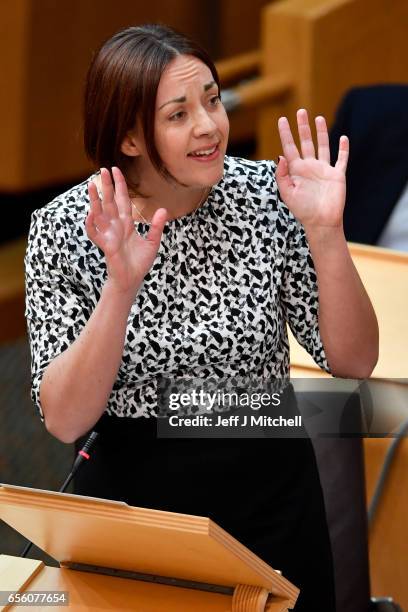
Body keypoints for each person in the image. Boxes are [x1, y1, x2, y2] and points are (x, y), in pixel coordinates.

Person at [25, 24, 378, 611]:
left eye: (213, 100)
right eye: (179, 114)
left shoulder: (270, 195)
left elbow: (354, 359)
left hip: (269, 485)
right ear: (132, 137)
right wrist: (121, 286)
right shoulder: (67, 227)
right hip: (137, 505)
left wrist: (326, 233)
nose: (210, 126)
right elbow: (64, 419)